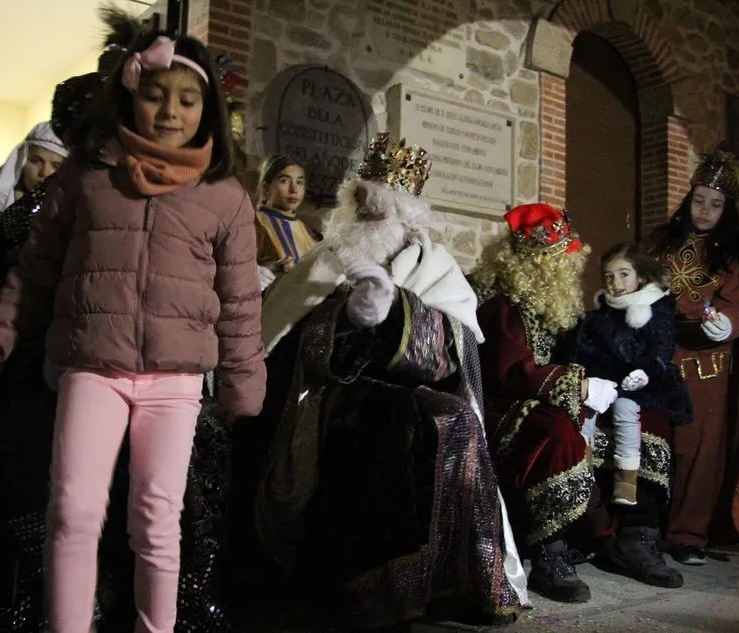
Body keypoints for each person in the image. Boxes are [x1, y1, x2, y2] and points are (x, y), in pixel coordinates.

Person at [0, 31, 265, 633]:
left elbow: (239, 301)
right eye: (156, 95)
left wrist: (243, 380)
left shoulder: (225, 197)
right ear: (131, 95)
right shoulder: (87, 177)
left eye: (187, 100)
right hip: (92, 368)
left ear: (207, 109)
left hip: (175, 381)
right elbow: (37, 268)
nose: (171, 111)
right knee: (72, 514)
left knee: (156, 520)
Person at [246, 132, 526, 628]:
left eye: (379, 207)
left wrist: (395, 309)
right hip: (335, 393)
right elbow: (287, 341)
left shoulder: (437, 268)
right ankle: (373, 592)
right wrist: (345, 317)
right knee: (389, 425)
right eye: (361, 203)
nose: (367, 213)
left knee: (458, 420)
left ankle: (456, 580)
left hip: (418, 388)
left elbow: (455, 352)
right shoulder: (326, 260)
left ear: (408, 217)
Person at [472, 203, 683, 605]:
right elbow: (512, 371)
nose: (572, 268)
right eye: (563, 259)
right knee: (557, 433)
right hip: (510, 406)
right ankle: (550, 551)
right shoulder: (504, 304)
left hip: (556, 395)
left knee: (648, 422)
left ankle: (635, 538)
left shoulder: (553, 302)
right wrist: (580, 386)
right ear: (540, 262)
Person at [645, 149, 739, 566]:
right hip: (659, 354)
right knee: (651, 440)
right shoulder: (659, 241)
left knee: (698, 449)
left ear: (727, 209)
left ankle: (688, 534)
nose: (705, 211)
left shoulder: (731, 254)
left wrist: (727, 323)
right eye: (698, 200)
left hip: (706, 362)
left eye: (715, 204)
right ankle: (643, 527)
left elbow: (738, 305)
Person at [566, 243, 692, 506]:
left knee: (625, 409)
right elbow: (586, 348)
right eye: (609, 276)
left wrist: (645, 371)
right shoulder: (602, 313)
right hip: (605, 378)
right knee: (586, 411)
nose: (616, 283)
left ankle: (626, 481)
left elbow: (661, 348)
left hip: (640, 381)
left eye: (624, 274)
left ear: (641, 276)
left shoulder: (657, 307)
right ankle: (582, 470)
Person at [0, 122, 67, 228]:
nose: (44, 173)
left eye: (56, 166)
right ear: (21, 162)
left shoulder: (74, 217)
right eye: (35, 161)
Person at [253, 154, 320, 289]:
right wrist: (269, 271)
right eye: (284, 181)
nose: (294, 190)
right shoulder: (253, 223)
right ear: (266, 188)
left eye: (299, 182)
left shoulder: (312, 233)